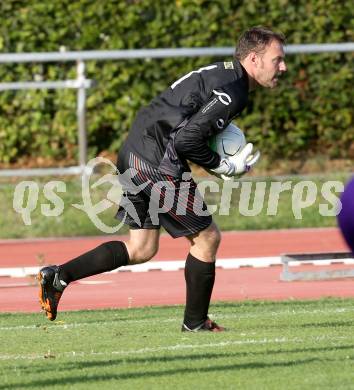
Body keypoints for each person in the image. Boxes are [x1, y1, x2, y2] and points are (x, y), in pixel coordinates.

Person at [38, 26, 287, 332]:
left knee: (141, 248)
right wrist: (221, 165)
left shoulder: (224, 73)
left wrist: (212, 162)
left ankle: (58, 276)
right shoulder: (233, 90)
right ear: (254, 58)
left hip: (133, 151)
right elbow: (185, 141)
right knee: (207, 239)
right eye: (277, 59)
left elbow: (187, 131)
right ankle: (195, 323)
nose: (283, 67)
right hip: (156, 162)